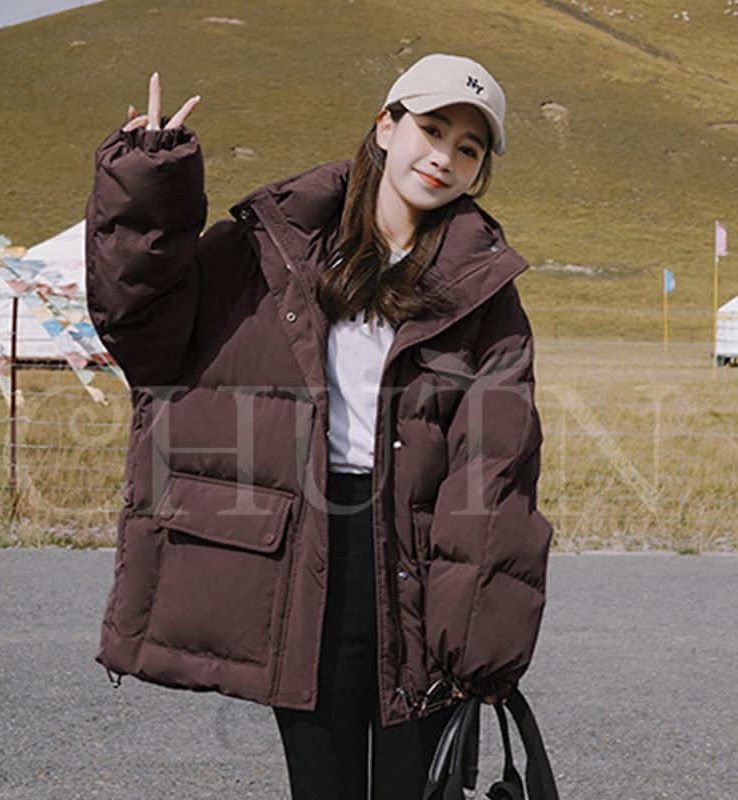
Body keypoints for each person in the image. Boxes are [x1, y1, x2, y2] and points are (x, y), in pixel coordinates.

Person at [86, 52, 553, 800]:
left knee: (418, 790)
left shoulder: (484, 289)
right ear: (385, 126)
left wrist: (481, 634)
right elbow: (143, 328)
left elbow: (496, 468)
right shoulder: (274, 244)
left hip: (421, 566)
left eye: (468, 148)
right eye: (432, 129)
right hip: (306, 556)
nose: (444, 157)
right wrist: (148, 186)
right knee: (322, 786)